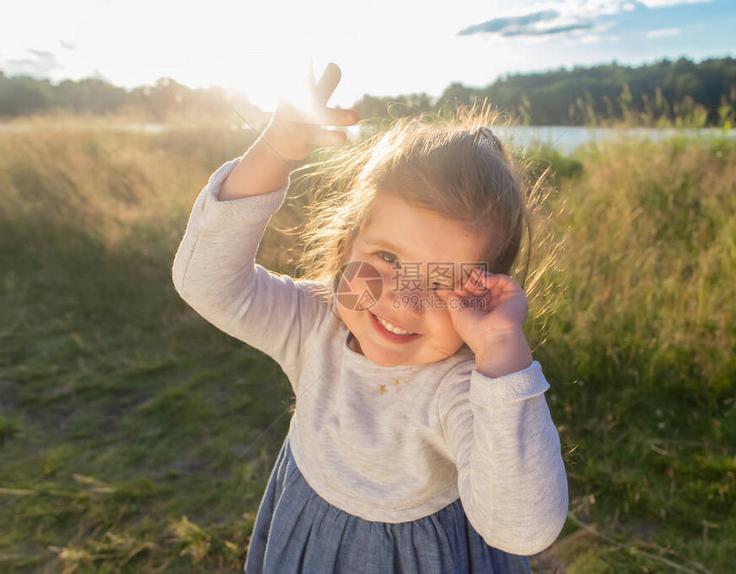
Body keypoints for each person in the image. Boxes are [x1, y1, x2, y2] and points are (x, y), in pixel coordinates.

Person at [171, 62, 568, 573]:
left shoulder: (465, 388)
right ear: (347, 243)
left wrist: (501, 353)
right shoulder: (313, 324)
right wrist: (272, 152)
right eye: (388, 258)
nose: (404, 301)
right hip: (308, 544)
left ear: (485, 297)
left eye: (444, 281)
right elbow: (206, 282)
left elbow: (523, 529)